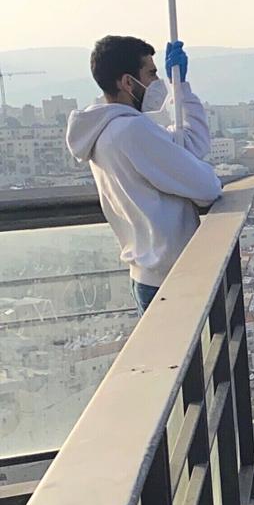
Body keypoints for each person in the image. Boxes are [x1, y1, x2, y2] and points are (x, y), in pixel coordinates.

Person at [66, 36, 222, 314]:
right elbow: (207, 187)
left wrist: (180, 88)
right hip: (169, 276)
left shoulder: (105, 130)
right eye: (151, 74)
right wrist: (202, 175)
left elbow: (191, 144)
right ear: (127, 82)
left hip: (147, 273)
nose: (156, 82)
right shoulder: (130, 131)